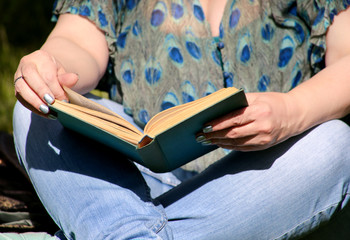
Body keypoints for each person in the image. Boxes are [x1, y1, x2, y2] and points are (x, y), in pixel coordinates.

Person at [12, 0, 350, 239]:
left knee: (335, 143)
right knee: (40, 112)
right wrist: (50, 66)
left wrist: (291, 111)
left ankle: (118, 229)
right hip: (136, 178)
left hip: (262, 184)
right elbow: (77, 42)